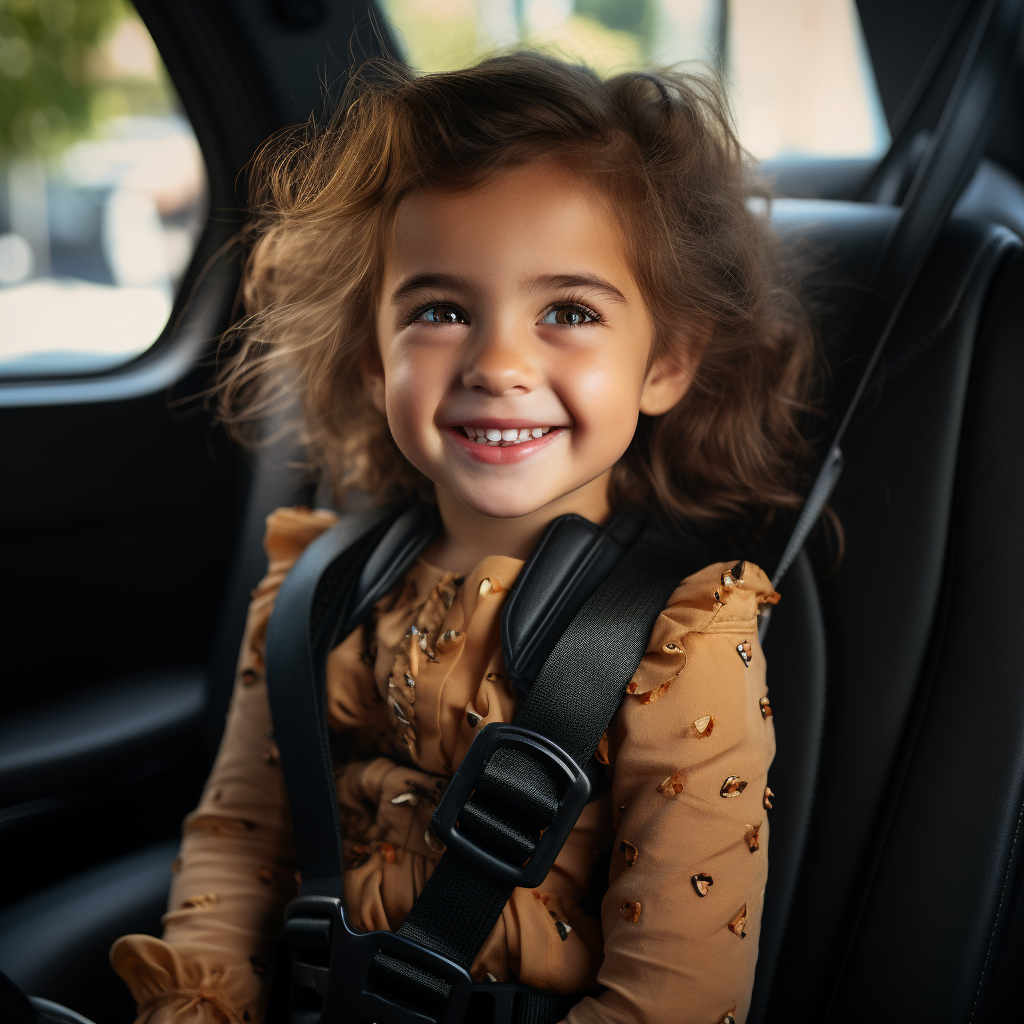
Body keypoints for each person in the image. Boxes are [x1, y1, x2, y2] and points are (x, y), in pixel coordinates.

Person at [110, 50, 820, 1024]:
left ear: (666, 362)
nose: (498, 363)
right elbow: (238, 839)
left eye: (567, 311)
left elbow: (676, 997)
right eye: (441, 310)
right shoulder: (317, 586)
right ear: (374, 359)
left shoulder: (679, 645)